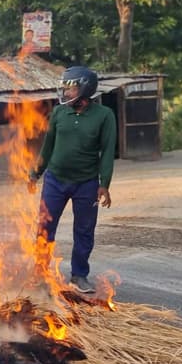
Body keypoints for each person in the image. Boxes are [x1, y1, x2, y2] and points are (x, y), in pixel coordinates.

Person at [29, 66, 116, 294]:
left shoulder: (104, 116)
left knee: (84, 230)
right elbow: (47, 146)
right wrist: (35, 173)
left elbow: (107, 151)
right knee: (45, 227)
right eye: (65, 88)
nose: (66, 93)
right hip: (55, 180)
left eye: (71, 88)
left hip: (86, 183)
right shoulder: (59, 113)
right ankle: (40, 273)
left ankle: (79, 275)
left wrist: (104, 184)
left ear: (85, 89)